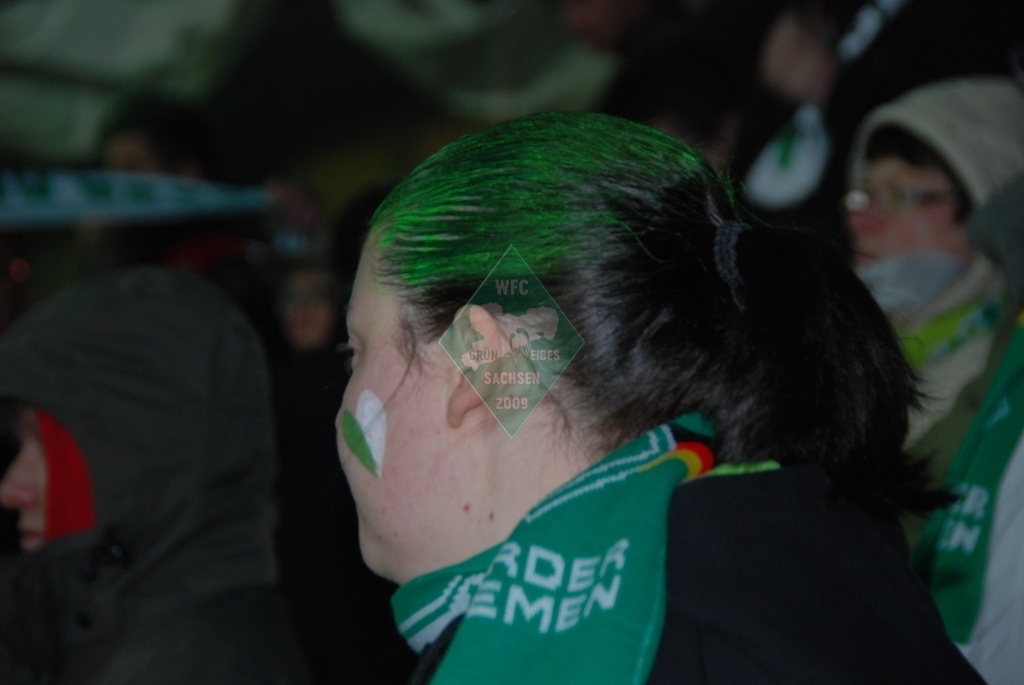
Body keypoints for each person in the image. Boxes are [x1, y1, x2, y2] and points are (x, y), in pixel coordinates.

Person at [334, 111, 983, 684]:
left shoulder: (653, 651)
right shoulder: (805, 569)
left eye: (357, 351)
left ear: (486, 367)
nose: (342, 400)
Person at [0, 267, 310, 685]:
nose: (10, 490)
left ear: (131, 458)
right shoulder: (100, 635)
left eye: (44, 446)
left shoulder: (201, 665)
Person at [844, 77, 1024, 684]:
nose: (863, 221)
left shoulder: (1004, 376)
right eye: (862, 194)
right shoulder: (837, 357)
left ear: (986, 196)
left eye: (901, 195)